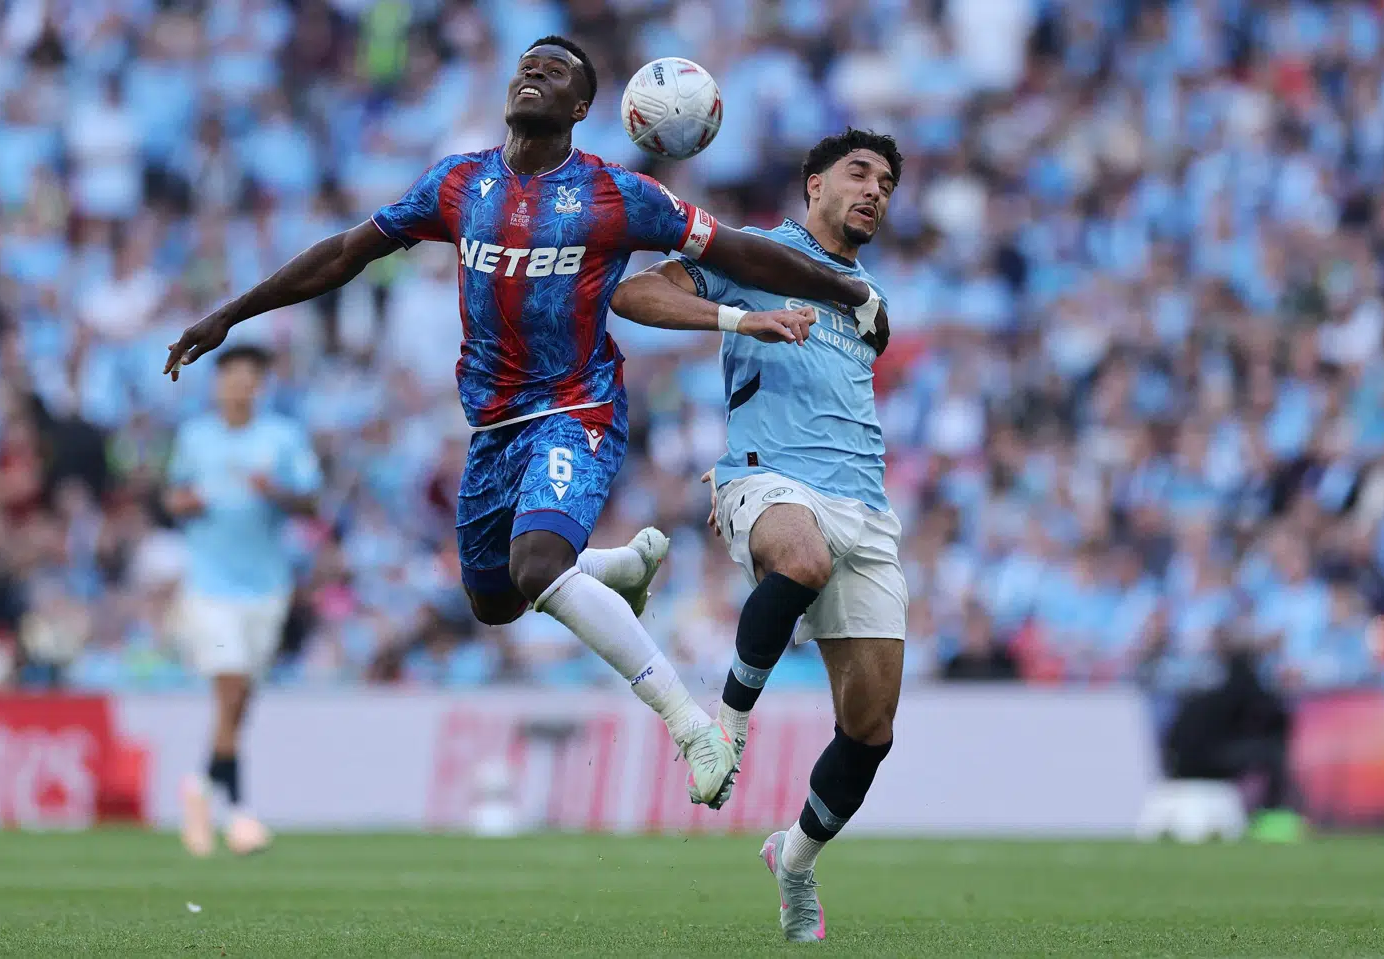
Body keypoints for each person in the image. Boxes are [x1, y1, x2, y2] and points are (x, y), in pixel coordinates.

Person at [162, 37, 885, 808]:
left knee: (538, 565)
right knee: (495, 599)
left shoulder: (618, 195)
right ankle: (615, 571)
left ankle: (690, 725)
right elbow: (346, 252)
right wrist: (231, 315)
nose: (533, 71)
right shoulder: (458, 183)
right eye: (527, 64)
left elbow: (742, 252)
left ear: (581, 109)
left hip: (580, 407)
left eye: (557, 70)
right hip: (493, 427)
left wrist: (845, 287)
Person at [610, 129, 905, 942]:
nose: (874, 190)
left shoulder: (865, 294)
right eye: (858, 173)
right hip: (767, 475)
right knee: (799, 557)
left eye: (886, 181)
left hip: (866, 509)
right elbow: (634, 297)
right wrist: (744, 317)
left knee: (871, 730)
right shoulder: (757, 253)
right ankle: (729, 723)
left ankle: (795, 860)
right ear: (813, 184)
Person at [164, 344, 322, 856]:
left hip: (266, 587)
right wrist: (188, 503)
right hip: (209, 586)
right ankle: (239, 815)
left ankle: (200, 786)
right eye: (231, 376)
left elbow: (310, 499)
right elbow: (173, 497)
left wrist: (273, 491)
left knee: (240, 703)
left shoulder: (282, 437)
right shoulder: (196, 437)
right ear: (217, 384)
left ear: (261, 386)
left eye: (250, 377)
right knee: (229, 693)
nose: (239, 386)